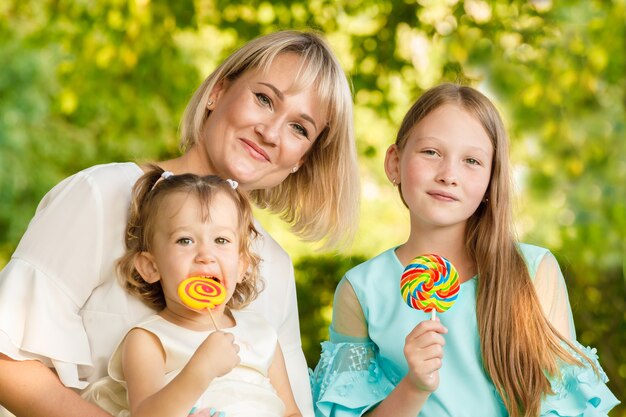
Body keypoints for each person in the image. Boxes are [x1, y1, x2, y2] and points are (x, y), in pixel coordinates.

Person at [0, 30, 359, 417]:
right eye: (264, 99)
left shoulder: (272, 263)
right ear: (217, 92)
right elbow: (6, 362)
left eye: (299, 128)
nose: (270, 133)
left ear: (301, 159)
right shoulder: (101, 195)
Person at [310, 83, 619, 417]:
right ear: (394, 163)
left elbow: (568, 408)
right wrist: (414, 386)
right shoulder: (361, 290)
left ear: (491, 180)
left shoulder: (534, 271)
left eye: (472, 161)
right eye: (431, 152)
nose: (448, 175)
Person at [82, 168, 302, 417]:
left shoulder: (261, 333)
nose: (205, 255)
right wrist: (201, 369)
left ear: (241, 267)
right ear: (151, 267)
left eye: (221, 240)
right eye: (185, 240)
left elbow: (291, 412)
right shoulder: (149, 340)